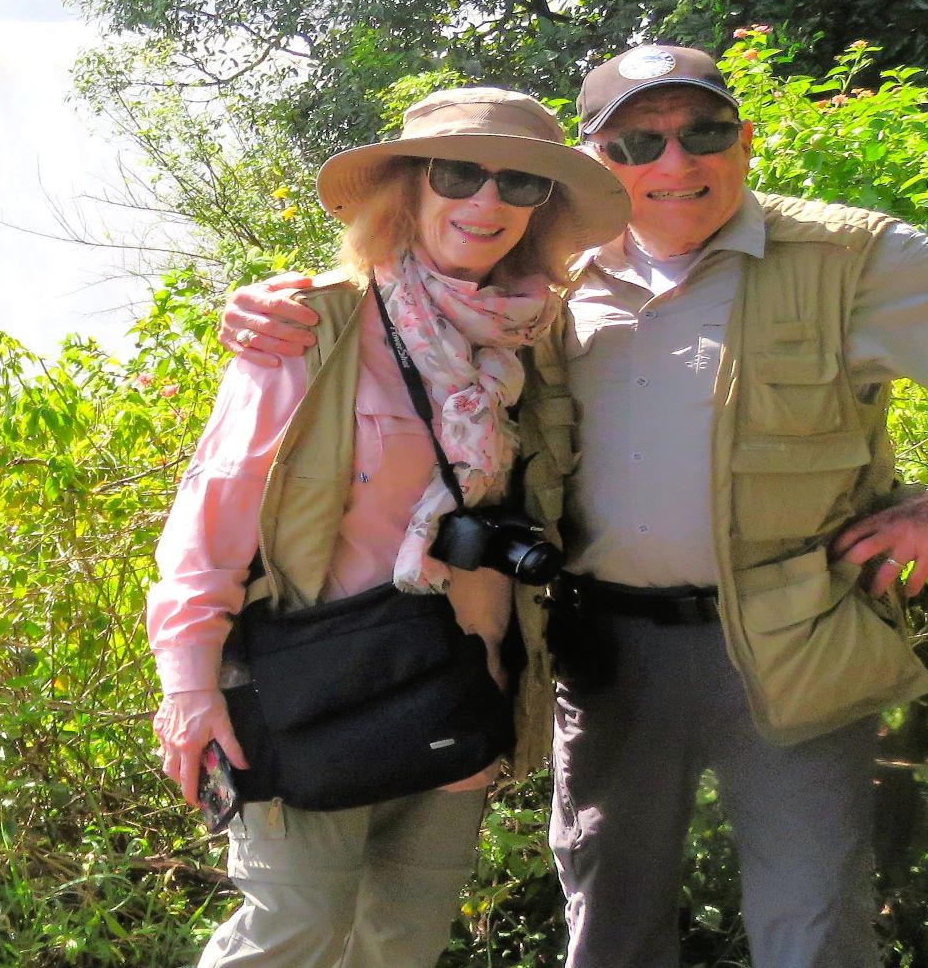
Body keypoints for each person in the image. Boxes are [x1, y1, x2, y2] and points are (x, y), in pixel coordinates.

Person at [221, 46, 928, 968]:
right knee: (608, 922)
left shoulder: (848, 259)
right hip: (609, 652)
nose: (674, 163)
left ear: (745, 138)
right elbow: (405, 311)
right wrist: (265, 313)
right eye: (637, 143)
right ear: (598, 162)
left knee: (811, 929)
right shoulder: (548, 283)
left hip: (798, 639)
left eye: (704, 132)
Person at [148, 87, 629, 968]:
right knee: (289, 935)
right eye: (457, 174)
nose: (486, 203)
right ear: (407, 188)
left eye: (518, 183)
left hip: (456, 684)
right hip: (311, 694)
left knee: (400, 947)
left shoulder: (537, 340)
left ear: (543, 208)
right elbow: (210, 518)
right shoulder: (314, 326)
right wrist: (189, 686)